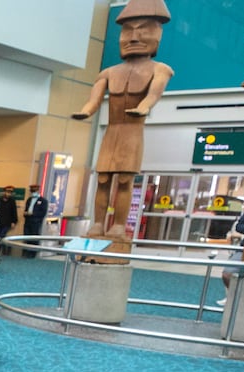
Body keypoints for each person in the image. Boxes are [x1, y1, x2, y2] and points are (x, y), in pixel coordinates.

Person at [72, 0, 173, 239]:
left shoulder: (159, 69)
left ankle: (118, 225)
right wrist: (85, 112)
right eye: (128, 30)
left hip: (132, 132)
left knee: (126, 180)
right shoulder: (108, 73)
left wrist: (144, 107)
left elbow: (153, 94)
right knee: (104, 179)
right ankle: (97, 224)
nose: (134, 37)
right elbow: (93, 101)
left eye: (144, 29)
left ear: (157, 34)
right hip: (112, 131)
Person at [21, 184, 48, 258]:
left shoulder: (43, 201)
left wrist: (33, 214)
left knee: (34, 238)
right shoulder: (29, 200)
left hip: (36, 222)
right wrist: (26, 213)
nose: (33, 192)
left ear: (38, 190)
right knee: (26, 237)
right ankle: (25, 253)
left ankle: (33, 254)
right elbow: (26, 209)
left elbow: (43, 213)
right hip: (27, 221)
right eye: (32, 191)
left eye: (34, 190)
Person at [0, 185, 19, 257]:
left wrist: (14, 221)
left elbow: (14, 212)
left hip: (7, 222)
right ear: (4, 192)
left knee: (2, 236)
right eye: (7, 192)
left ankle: (2, 251)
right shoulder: (0, 200)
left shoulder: (12, 201)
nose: (8, 193)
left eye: (10, 192)